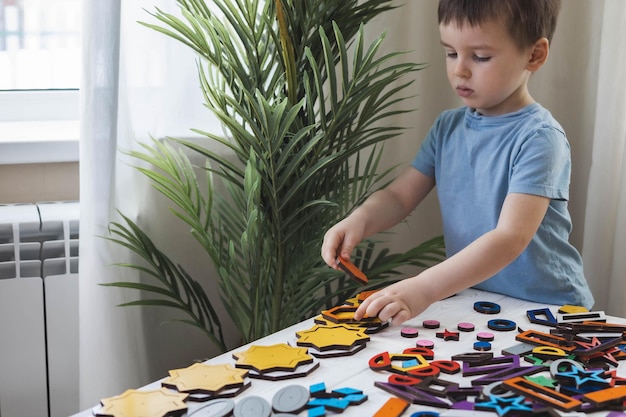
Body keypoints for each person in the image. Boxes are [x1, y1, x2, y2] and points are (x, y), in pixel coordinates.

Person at [320, 0, 594, 326]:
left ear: (534, 55)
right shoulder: (446, 128)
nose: (459, 70)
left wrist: (422, 288)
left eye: (480, 57)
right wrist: (360, 220)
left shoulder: (539, 137)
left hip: (550, 313)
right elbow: (399, 197)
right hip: (479, 306)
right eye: (451, 53)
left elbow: (510, 237)